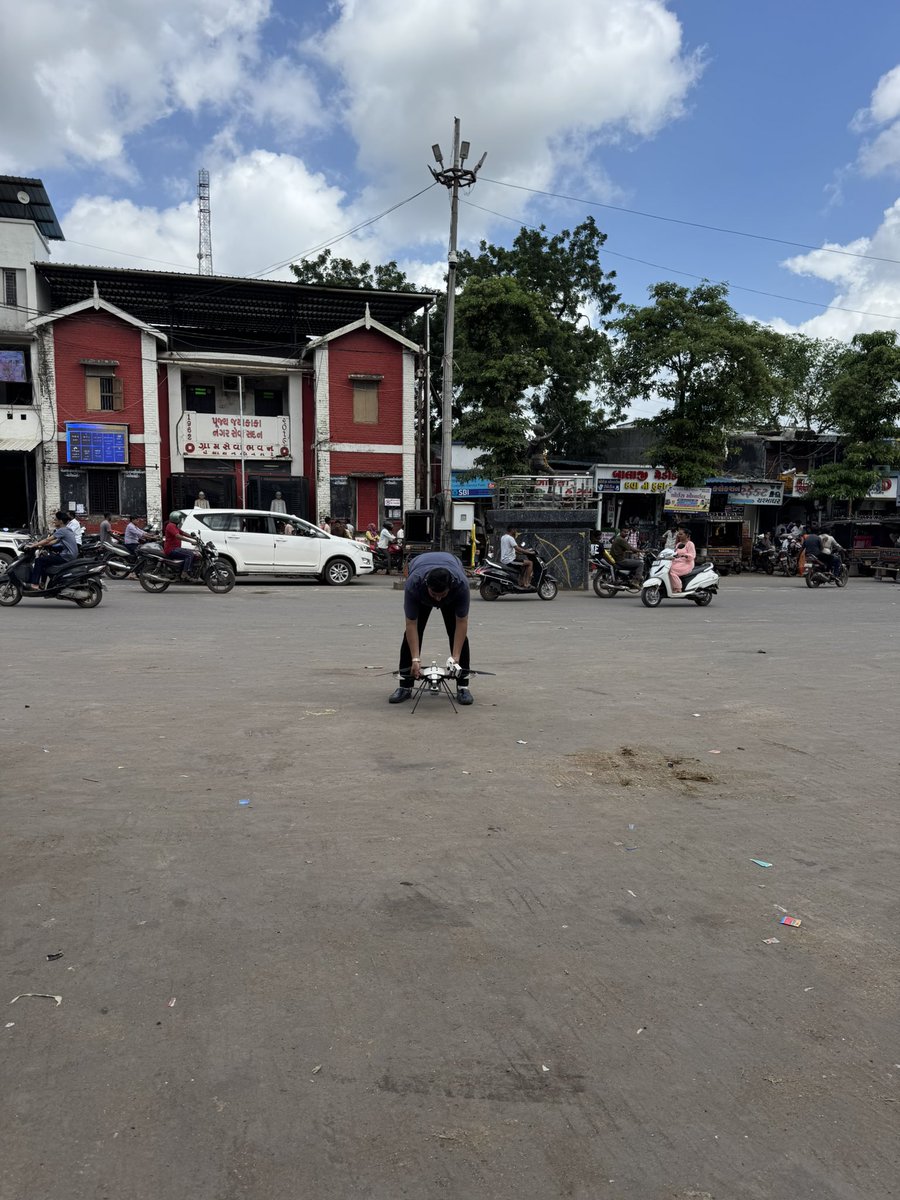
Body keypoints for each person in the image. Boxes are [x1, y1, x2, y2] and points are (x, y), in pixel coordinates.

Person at [389, 552, 473, 706]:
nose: (438, 599)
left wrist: (455, 657)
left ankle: (463, 687)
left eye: (442, 594)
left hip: (452, 576)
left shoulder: (461, 585)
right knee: (410, 636)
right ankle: (405, 686)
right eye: (434, 594)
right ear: (427, 585)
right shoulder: (414, 584)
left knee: (456, 634)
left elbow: (462, 622)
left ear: (450, 587)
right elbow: (411, 624)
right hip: (421, 588)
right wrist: (415, 659)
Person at [25, 515, 77, 590]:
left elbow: (48, 540)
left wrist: (34, 545)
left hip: (67, 556)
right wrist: (38, 544)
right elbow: (53, 542)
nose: (54, 521)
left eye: (55, 520)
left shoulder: (62, 530)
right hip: (70, 555)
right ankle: (42, 584)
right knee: (44, 561)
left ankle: (35, 584)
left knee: (39, 560)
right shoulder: (67, 529)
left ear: (61, 521)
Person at [163, 512, 201, 579]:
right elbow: (178, 536)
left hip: (175, 548)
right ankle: (184, 573)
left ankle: (183, 570)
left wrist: (194, 537)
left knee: (193, 554)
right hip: (171, 549)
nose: (181, 520)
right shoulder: (170, 526)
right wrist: (191, 541)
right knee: (190, 555)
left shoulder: (174, 526)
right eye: (180, 518)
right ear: (176, 519)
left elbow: (182, 533)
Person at [669, 526, 696, 592]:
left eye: (681, 534)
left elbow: (692, 555)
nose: (679, 535)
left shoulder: (690, 544)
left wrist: (685, 555)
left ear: (686, 535)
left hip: (687, 564)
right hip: (677, 562)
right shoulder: (678, 544)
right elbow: (674, 553)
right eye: (678, 534)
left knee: (671, 570)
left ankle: (678, 588)